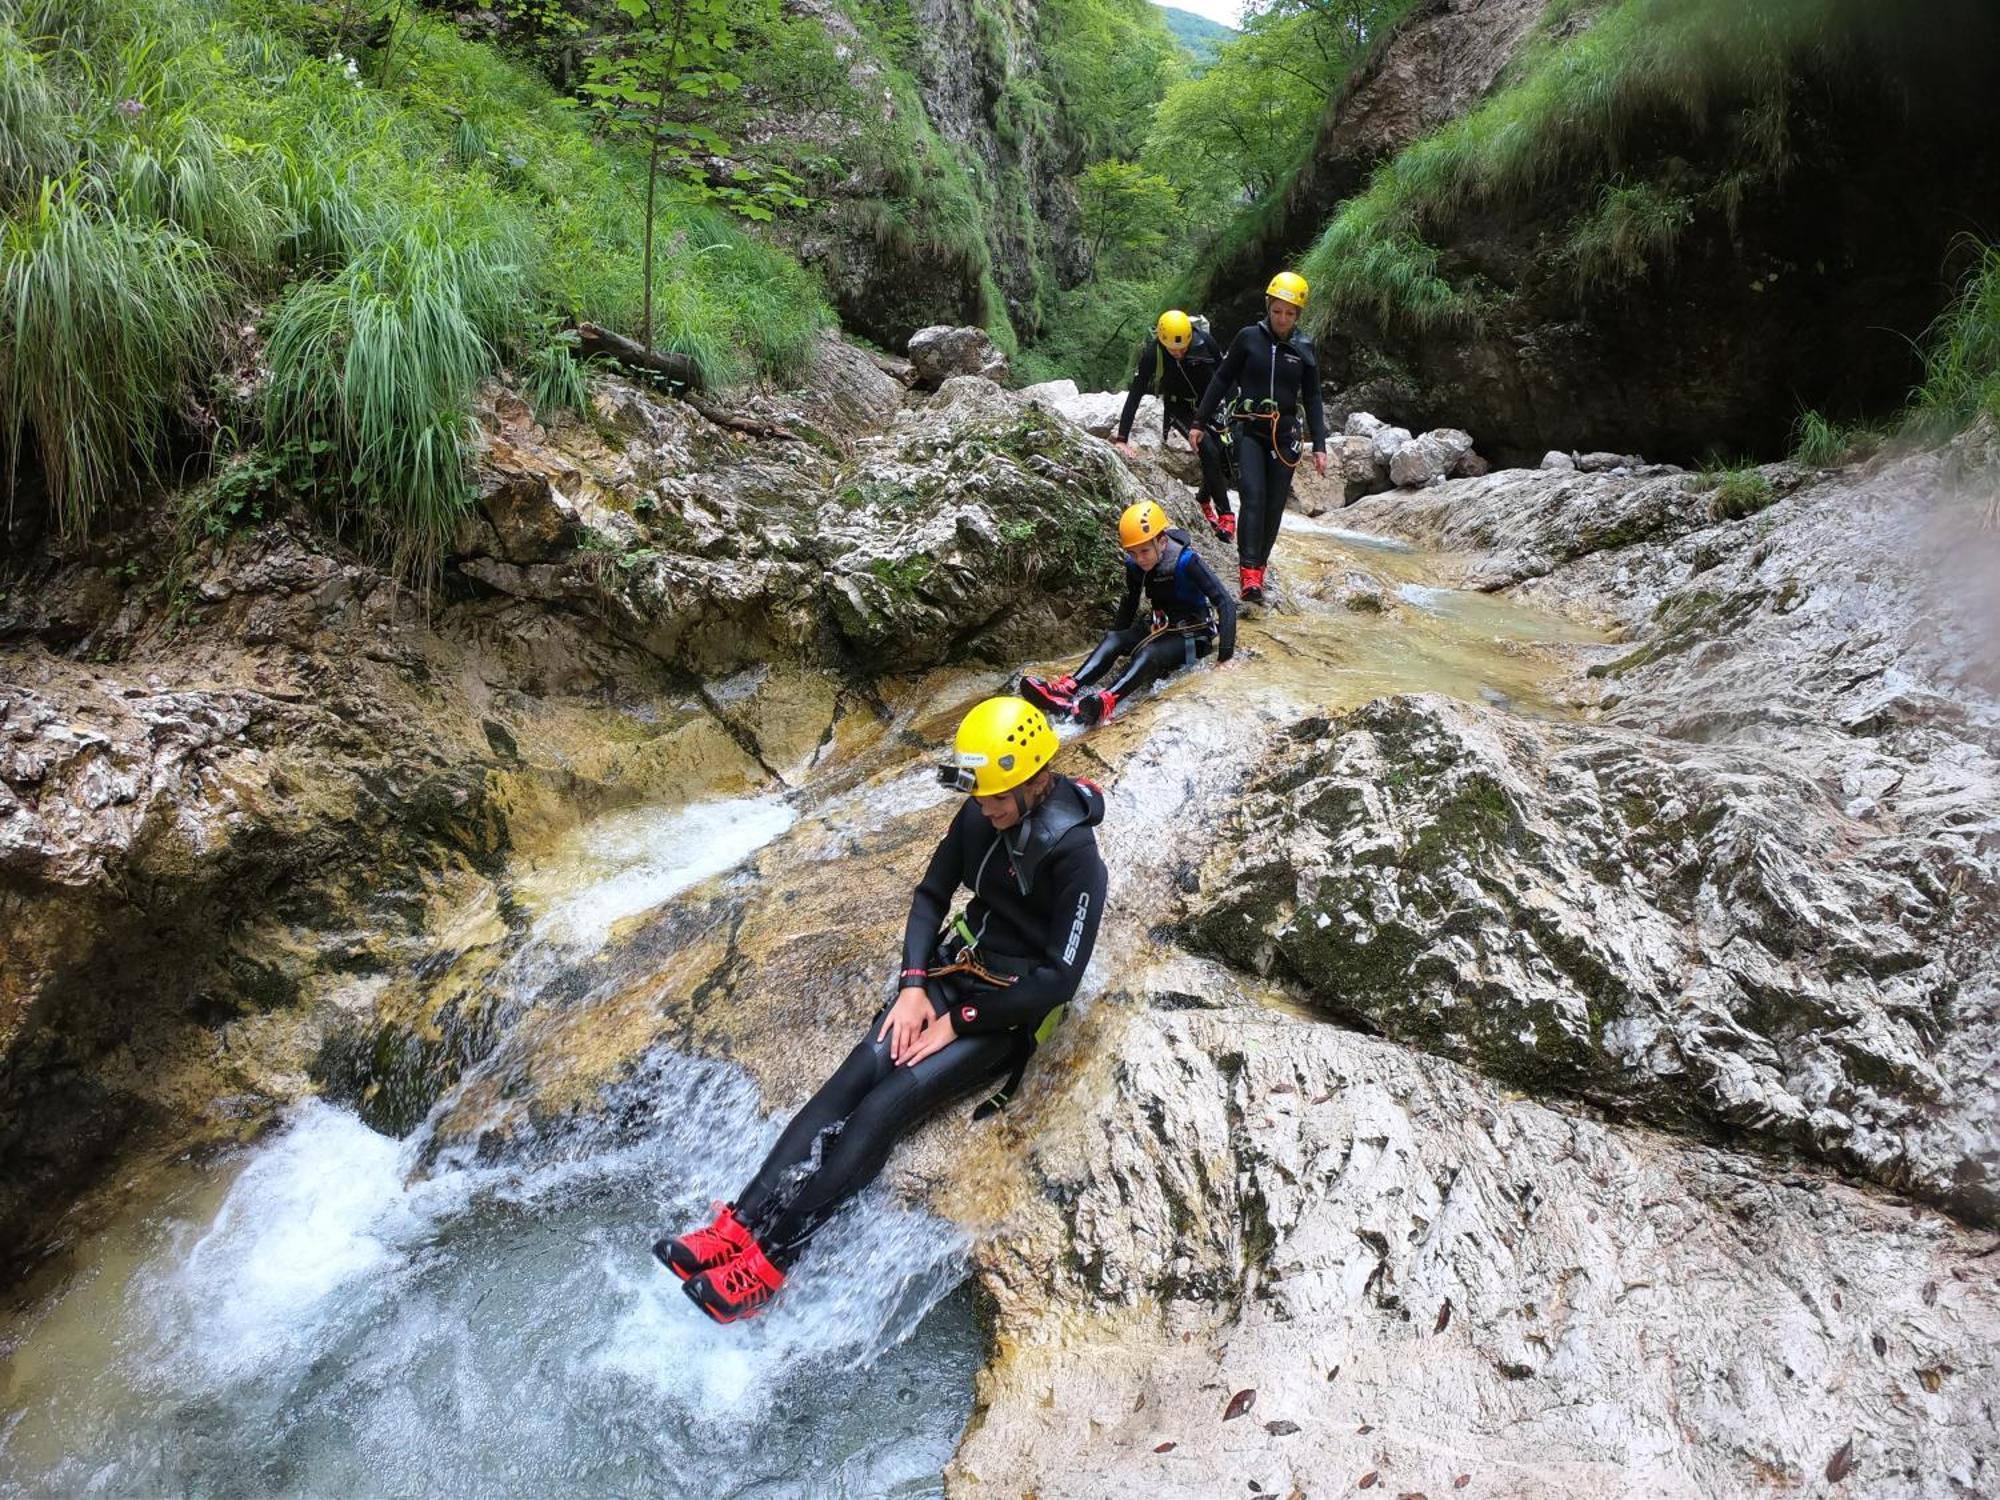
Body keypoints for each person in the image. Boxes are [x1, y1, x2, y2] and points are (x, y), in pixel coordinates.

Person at [656, 697, 1107, 1323]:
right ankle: (738, 1226)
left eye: (998, 798)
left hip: (1007, 1012)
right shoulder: (980, 818)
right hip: (955, 972)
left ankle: (770, 1263)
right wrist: (914, 986)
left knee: (884, 1106)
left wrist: (961, 1021)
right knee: (855, 1076)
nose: (985, 809)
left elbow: (1060, 979)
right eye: (980, 797)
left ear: (1035, 780)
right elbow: (930, 896)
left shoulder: (1076, 854)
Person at [1018, 499, 1236, 727]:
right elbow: (1129, 603)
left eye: (1144, 551)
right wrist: (1114, 644)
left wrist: (1225, 657)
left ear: (1162, 543)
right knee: (1115, 638)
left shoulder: (1187, 561)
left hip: (1193, 635)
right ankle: (1068, 688)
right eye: (1133, 553)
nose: (1139, 559)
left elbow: (1225, 602)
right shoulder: (1134, 565)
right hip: (1159, 627)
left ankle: (1106, 702)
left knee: (1149, 653)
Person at [1189, 270, 1329, 606]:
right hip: (1249, 429)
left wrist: (1320, 444)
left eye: (1289, 313)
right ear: (1268, 307)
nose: (1282, 318)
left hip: (1285, 437)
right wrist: (1199, 421)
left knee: (1274, 507)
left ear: (1298, 315)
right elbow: (1222, 378)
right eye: (1277, 311)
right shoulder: (1248, 338)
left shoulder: (1304, 348)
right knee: (1253, 497)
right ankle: (1248, 573)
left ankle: (1261, 566)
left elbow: (1312, 398)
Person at [1114, 310, 1236, 541]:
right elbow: (1136, 393)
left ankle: (1202, 500)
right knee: (1207, 447)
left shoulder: (1205, 342)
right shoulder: (1154, 353)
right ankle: (1227, 515)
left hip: (1208, 403)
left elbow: (1226, 376)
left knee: (1224, 453)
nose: (1178, 353)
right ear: (1162, 340)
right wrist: (1122, 438)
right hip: (1179, 407)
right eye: (1173, 349)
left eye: (1183, 348)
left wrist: (1234, 410)